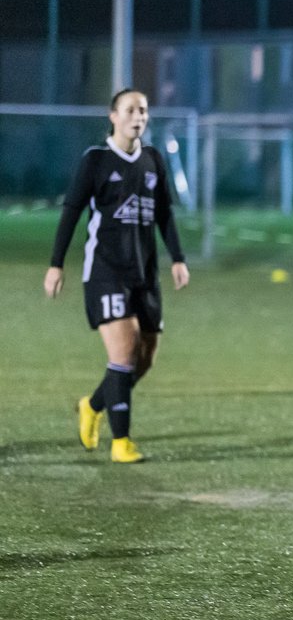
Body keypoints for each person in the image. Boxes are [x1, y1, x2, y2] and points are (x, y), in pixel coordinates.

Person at [42, 88, 190, 464]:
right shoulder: (96, 160)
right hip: (105, 271)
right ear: (113, 116)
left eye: (143, 110)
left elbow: (165, 215)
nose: (138, 116)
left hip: (145, 273)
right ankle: (121, 442)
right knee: (124, 351)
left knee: (145, 358)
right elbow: (72, 211)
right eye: (130, 110)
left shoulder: (154, 160)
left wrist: (178, 258)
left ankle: (92, 406)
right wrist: (56, 264)